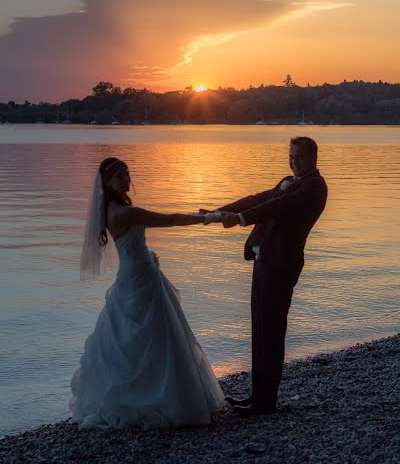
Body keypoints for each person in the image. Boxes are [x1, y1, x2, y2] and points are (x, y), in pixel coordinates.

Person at [70, 157, 225, 429]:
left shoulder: (108, 211)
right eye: (119, 176)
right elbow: (171, 219)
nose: (126, 179)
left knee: (139, 340)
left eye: (127, 174)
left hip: (134, 275)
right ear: (107, 182)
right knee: (158, 338)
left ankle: (147, 395)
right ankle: (164, 401)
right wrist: (207, 218)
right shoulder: (125, 213)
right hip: (141, 279)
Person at [201, 137, 328, 417]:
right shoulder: (288, 181)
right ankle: (258, 396)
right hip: (263, 261)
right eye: (291, 156)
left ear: (314, 157)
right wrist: (219, 212)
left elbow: (275, 207)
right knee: (259, 329)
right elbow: (259, 199)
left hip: (282, 265)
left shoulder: (314, 187)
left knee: (271, 331)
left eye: (300, 157)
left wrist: (242, 219)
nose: (294, 161)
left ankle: (266, 401)